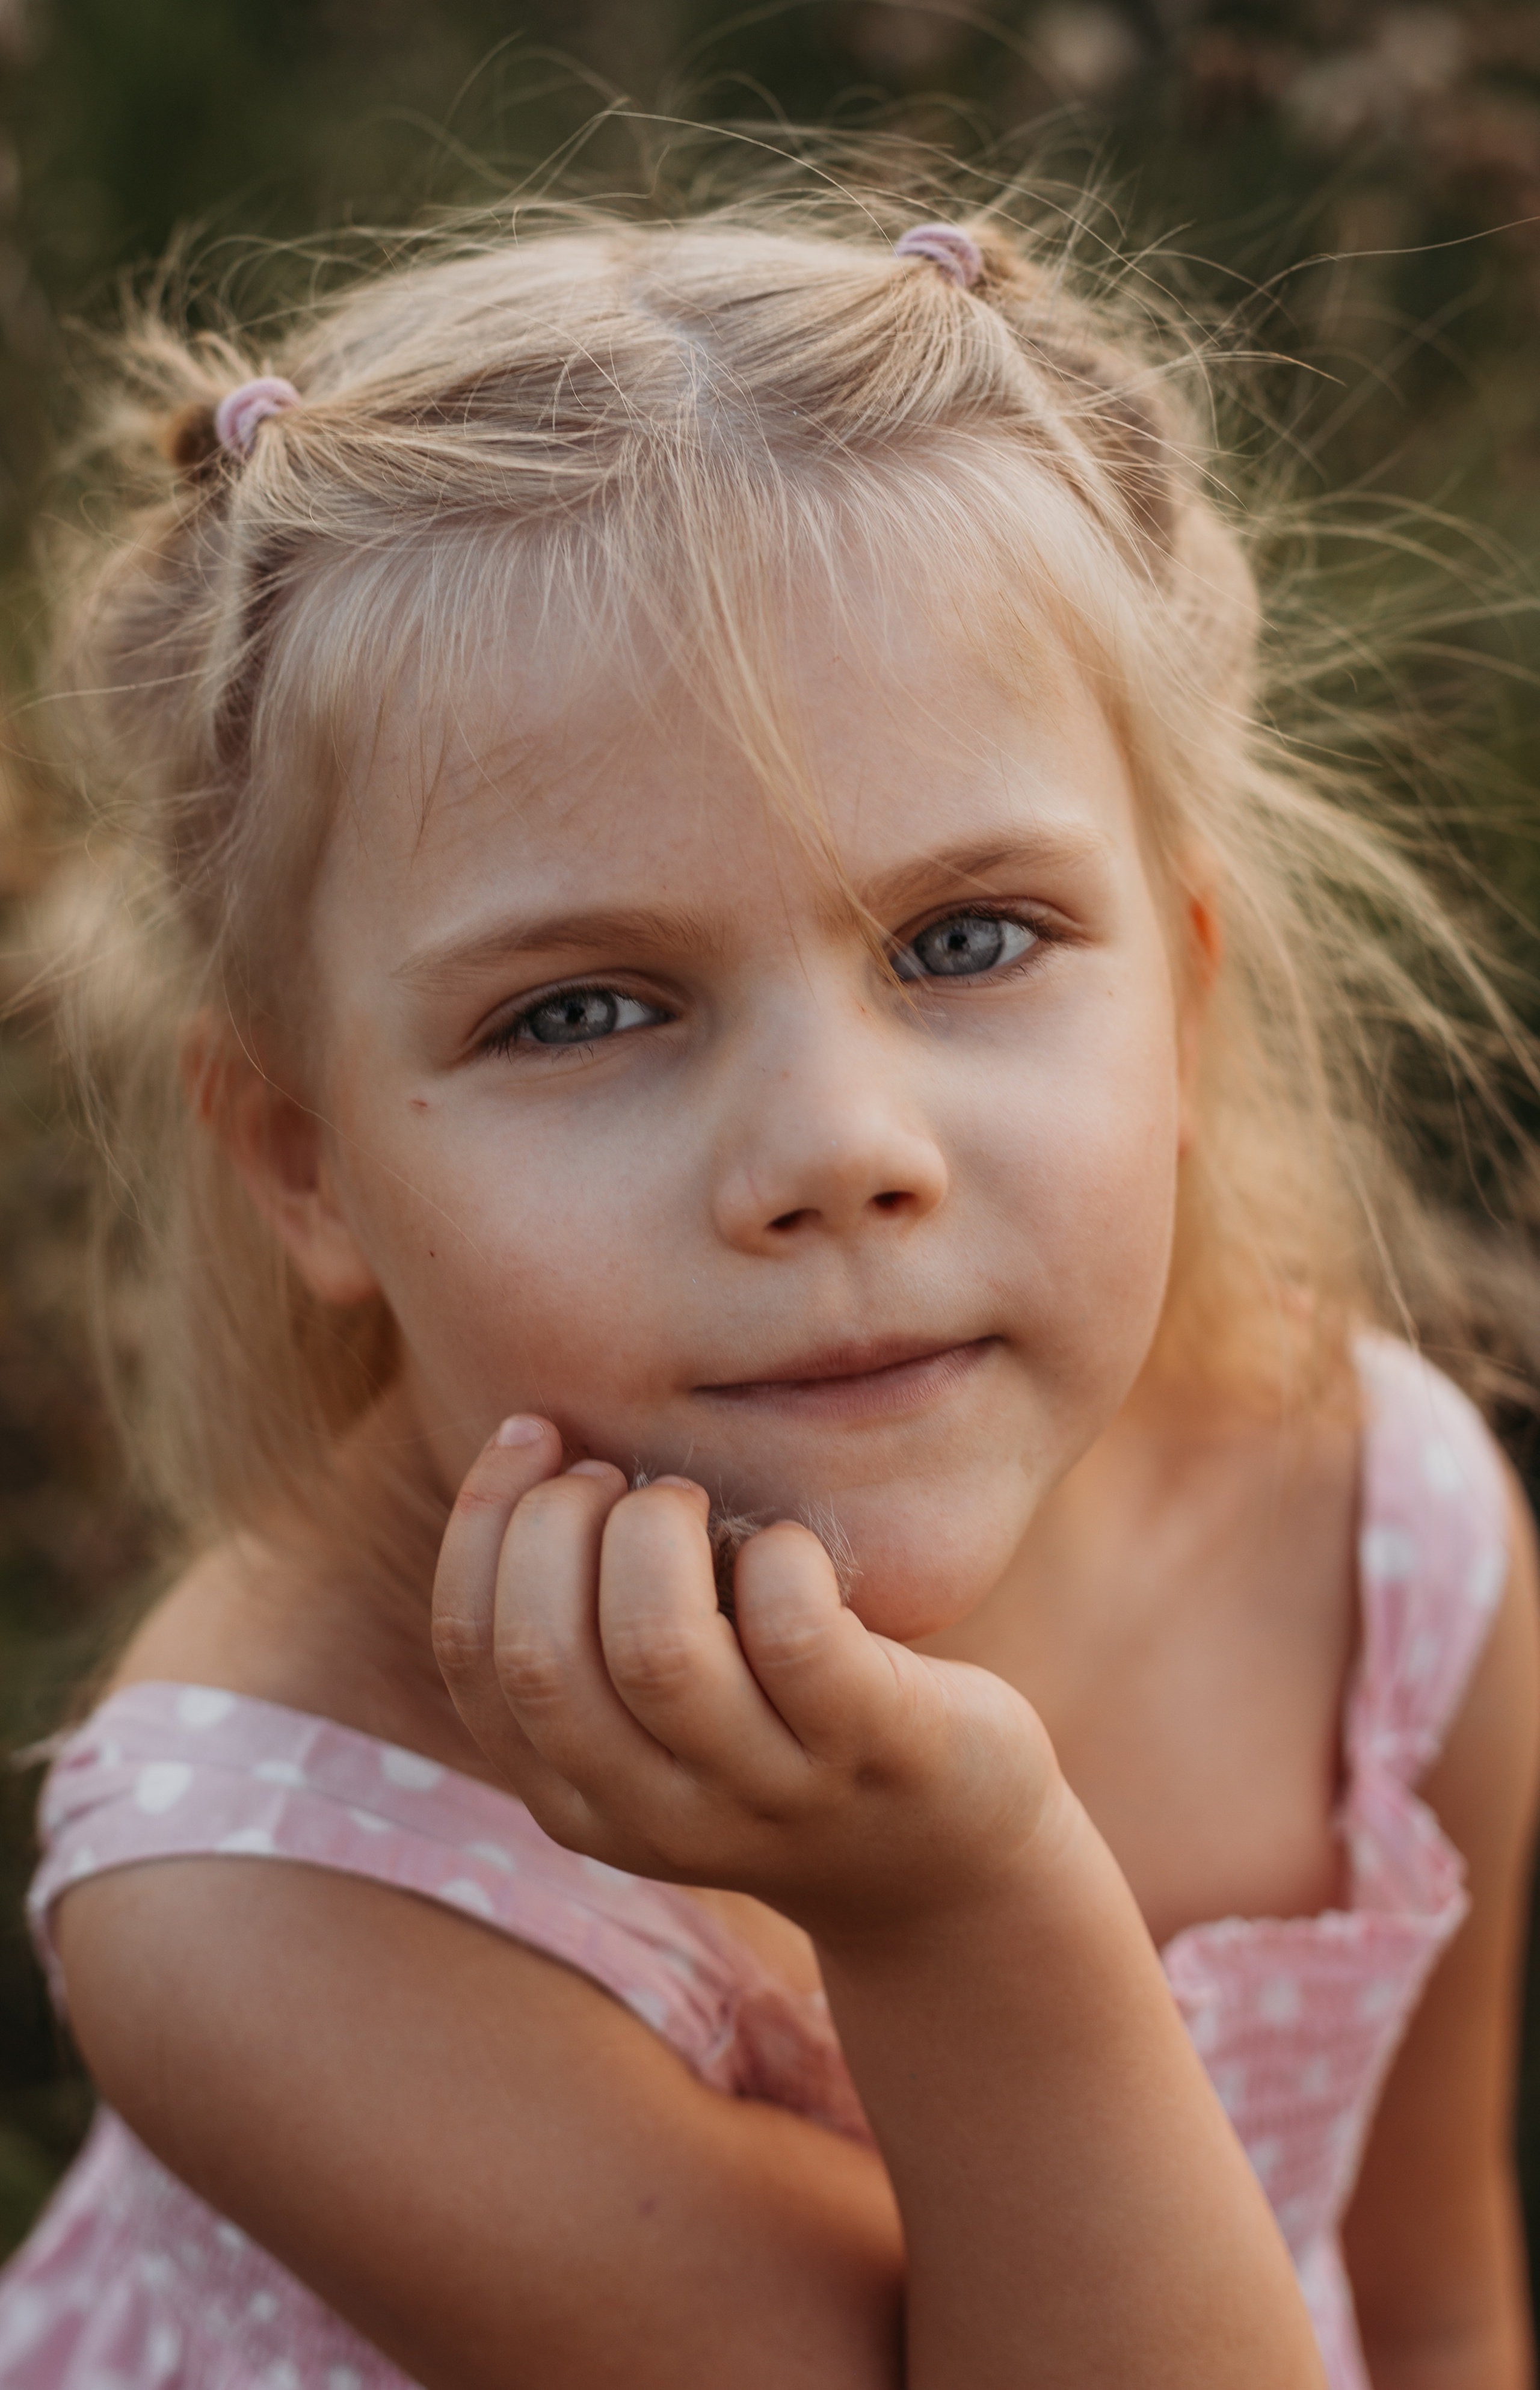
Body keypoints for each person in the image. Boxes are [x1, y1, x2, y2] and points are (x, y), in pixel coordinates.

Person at [0, 182, 1534, 2390]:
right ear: (306, 1163)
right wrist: (968, 1911)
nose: (838, 1153)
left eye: (969, 939)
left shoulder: (1381, 1549)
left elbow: (1440, 2302)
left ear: (1181, 1015)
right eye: (580, 1011)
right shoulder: (266, 1887)